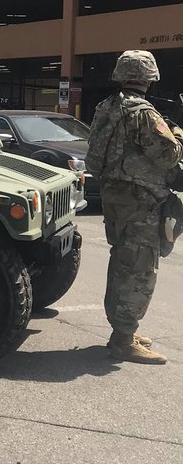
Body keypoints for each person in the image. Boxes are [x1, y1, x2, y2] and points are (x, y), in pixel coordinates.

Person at [87, 49, 183, 365]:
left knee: (122, 262)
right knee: (139, 267)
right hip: (140, 200)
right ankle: (124, 340)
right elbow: (168, 156)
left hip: (115, 197)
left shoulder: (107, 107)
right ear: (149, 78)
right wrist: (178, 134)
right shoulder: (144, 113)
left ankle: (123, 330)